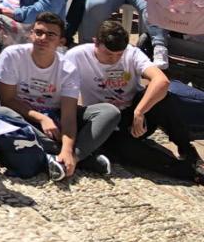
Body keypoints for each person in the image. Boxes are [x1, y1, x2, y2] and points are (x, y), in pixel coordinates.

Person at [0, 12, 118, 180]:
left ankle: (72, 158)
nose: (43, 38)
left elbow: (68, 116)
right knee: (0, 113)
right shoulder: (12, 56)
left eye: (50, 35)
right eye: (39, 32)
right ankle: (76, 156)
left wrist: (68, 149)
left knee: (109, 112)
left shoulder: (68, 68)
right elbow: (8, 101)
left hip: (56, 118)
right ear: (31, 35)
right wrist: (41, 119)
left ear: (61, 42)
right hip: (23, 118)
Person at [73, 20, 204, 184]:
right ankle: (186, 172)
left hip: (134, 116)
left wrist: (140, 111)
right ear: (95, 43)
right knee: (128, 151)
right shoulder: (78, 55)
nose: (113, 59)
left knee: (163, 97)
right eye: (108, 54)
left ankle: (186, 148)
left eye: (118, 55)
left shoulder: (131, 53)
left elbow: (161, 81)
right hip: (106, 121)